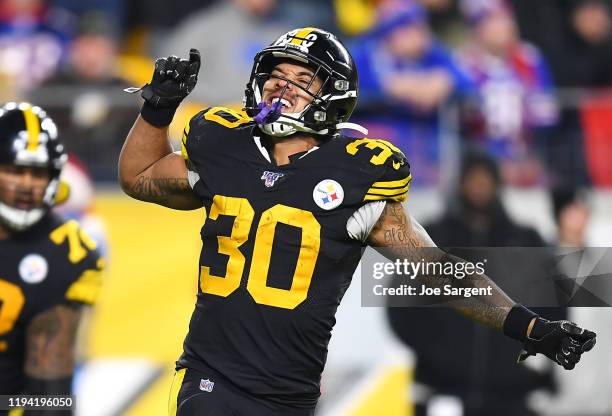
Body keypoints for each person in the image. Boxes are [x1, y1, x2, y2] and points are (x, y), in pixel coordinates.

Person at [118, 28, 597, 416]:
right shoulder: (226, 143)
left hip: (292, 392)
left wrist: (528, 325)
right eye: (276, 74)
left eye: (303, 78)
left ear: (334, 95)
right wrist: (157, 109)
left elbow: (439, 272)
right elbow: (139, 177)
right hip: (210, 377)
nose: (282, 85)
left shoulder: (358, 174)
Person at [388, 151, 562, 416]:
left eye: (486, 179)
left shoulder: (525, 240)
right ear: (460, 184)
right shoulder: (433, 238)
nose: (479, 187)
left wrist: (530, 359)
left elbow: (555, 306)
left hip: (513, 394)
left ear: (497, 184)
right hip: (442, 390)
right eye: (473, 179)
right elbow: (400, 304)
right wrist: (438, 352)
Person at [0, 103, 104, 412]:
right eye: (15, 170)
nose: (27, 184)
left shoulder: (65, 253)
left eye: (38, 173)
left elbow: (48, 397)